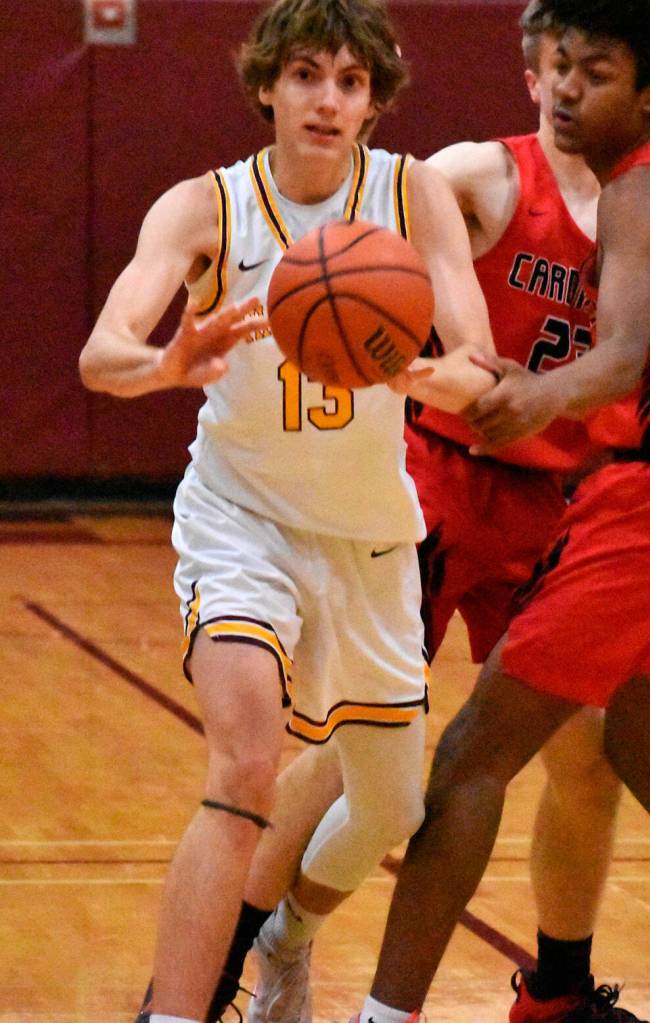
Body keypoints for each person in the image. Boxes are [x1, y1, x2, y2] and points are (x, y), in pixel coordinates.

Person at [228, 3, 650, 1023]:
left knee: (583, 755)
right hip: (439, 482)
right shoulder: (478, 177)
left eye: (592, 67)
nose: (567, 85)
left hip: (569, 497)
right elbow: (352, 241)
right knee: (363, 747)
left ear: (644, 90)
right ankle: (244, 954)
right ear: (533, 70)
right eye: (557, 64)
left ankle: (559, 988)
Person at [78, 2, 497, 1021]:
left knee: (391, 804)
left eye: (350, 82)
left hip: (367, 537)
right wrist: (166, 363)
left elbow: (479, 364)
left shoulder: (412, 194)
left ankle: (287, 933)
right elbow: (101, 356)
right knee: (247, 767)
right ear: (266, 85)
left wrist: (429, 375)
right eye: (306, 75)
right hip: (241, 520)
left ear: (374, 100)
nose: (326, 100)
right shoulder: (207, 207)